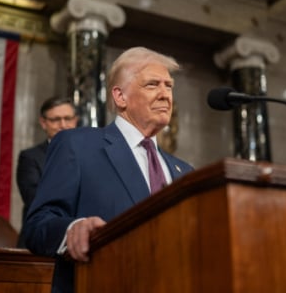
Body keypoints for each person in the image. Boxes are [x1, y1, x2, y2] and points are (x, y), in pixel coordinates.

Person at [25, 46, 195, 293]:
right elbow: (37, 225)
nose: (165, 94)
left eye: (168, 86)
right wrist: (73, 229)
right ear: (120, 97)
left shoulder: (184, 171)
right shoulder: (78, 145)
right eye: (152, 85)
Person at [15, 96, 78, 247]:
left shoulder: (88, 156)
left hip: (79, 241)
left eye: (68, 118)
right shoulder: (30, 158)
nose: (63, 125)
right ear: (43, 123)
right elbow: (35, 200)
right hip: (40, 242)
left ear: (76, 121)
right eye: (56, 119)